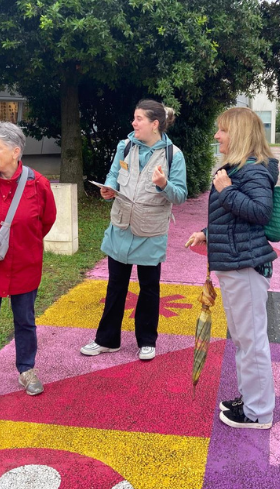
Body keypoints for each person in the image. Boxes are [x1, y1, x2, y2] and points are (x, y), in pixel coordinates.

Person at [187, 107, 278, 429]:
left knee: (250, 341)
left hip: (245, 267)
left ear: (238, 133)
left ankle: (258, 412)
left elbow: (259, 212)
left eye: (222, 130)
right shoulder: (239, 170)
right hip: (236, 264)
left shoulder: (251, 171)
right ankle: (251, 399)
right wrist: (206, 233)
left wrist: (226, 190)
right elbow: (234, 221)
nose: (216, 136)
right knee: (244, 339)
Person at [80, 99, 187, 361]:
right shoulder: (125, 146)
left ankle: (147, 341)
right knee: (115, 285)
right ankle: (107, 340)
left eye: (139, 118)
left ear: (155, 124)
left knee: (149, 287)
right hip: (121, 225)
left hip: (150, 230)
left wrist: (164, 184)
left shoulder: (174, 155)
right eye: (134, 117)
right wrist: (107, 189)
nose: (133, 123)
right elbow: (114, 174)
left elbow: (181, 196)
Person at [0, 122, 57, 410]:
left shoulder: (38, 183)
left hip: (24, 266)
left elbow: (47, 220)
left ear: (16, 151)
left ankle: (26, 370)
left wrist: (22, 243)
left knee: (25, 322)